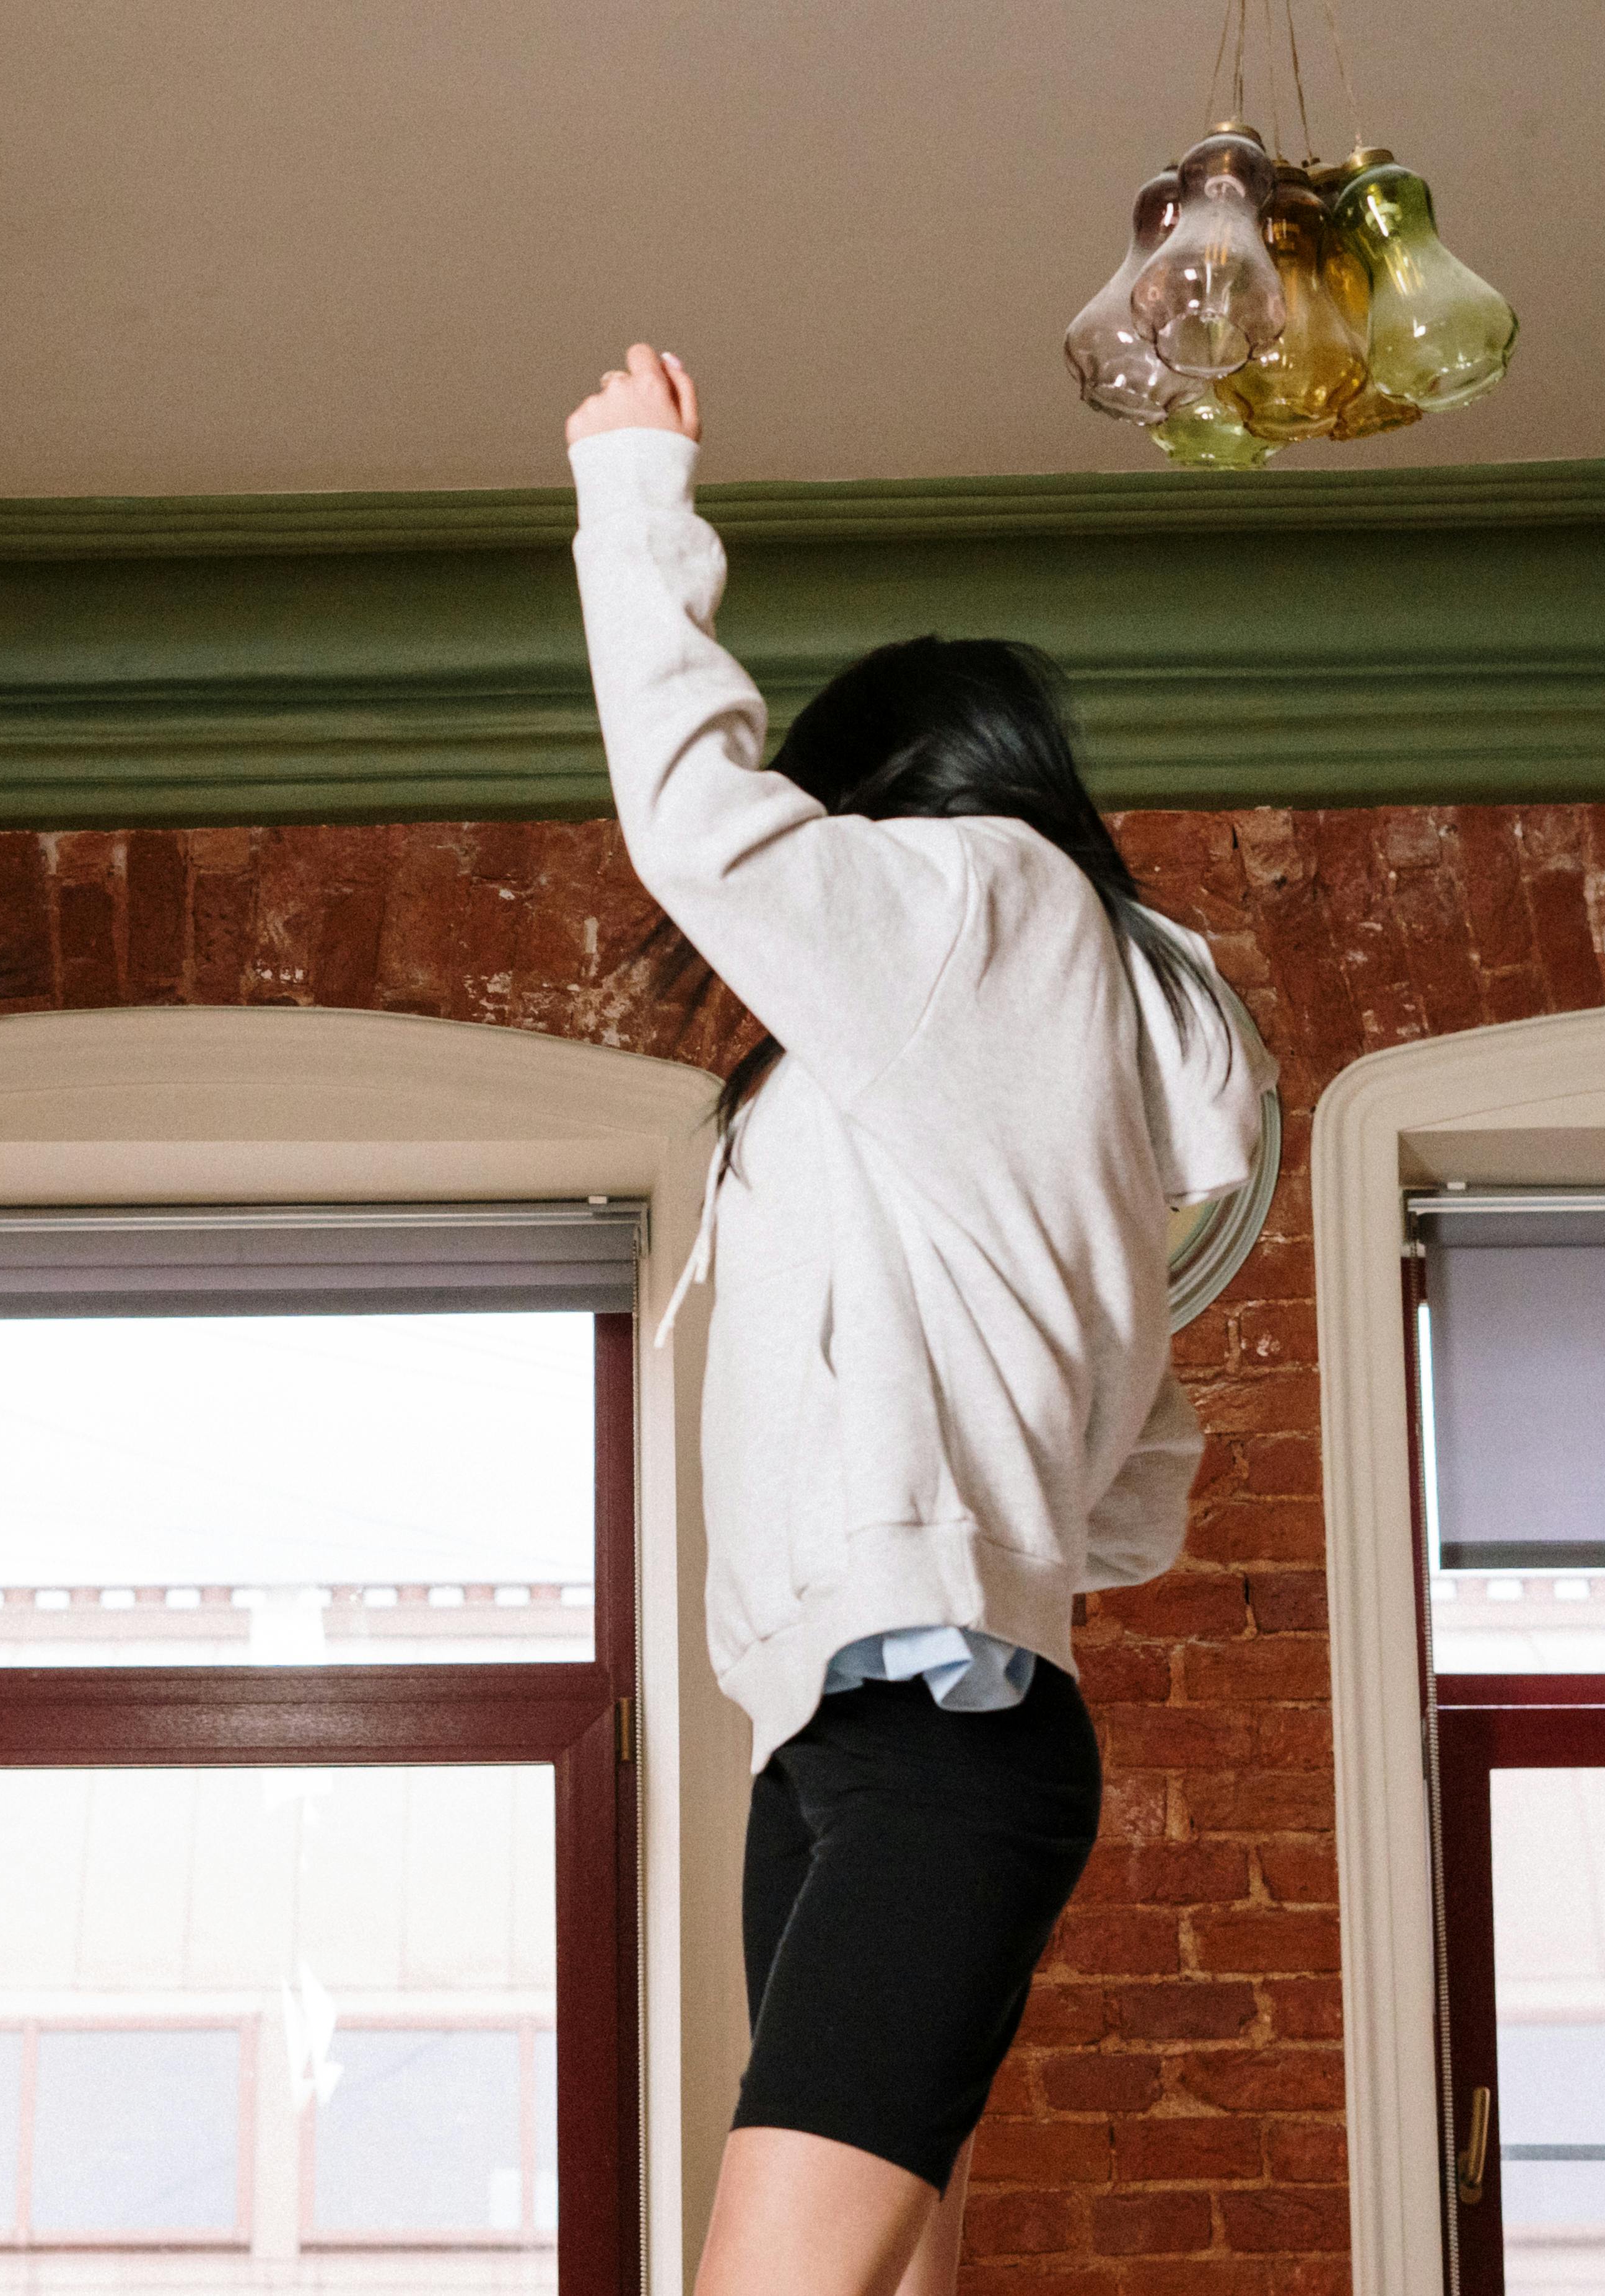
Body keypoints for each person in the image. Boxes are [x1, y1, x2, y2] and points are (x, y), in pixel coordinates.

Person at [564, 344, 1264, 2296]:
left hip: (926, 1742)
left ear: (894, 797)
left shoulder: (982, 906)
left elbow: (704, 830)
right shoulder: (1038, 1090)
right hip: (855, 1746)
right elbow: (1137, 1498)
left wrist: (637, 492)